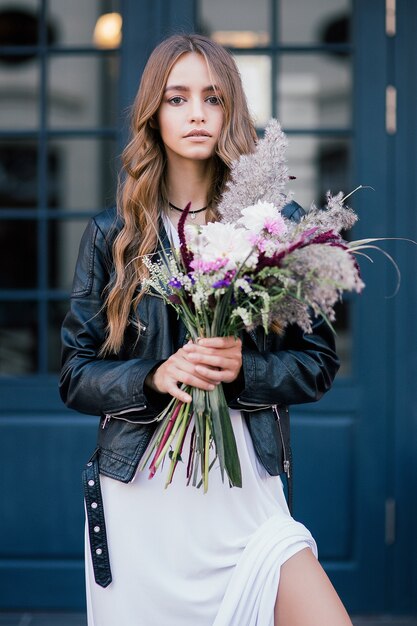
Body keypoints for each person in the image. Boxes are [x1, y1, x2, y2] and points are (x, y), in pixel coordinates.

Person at [60, 33, 353, 626]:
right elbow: (74, 373)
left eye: (213, 98)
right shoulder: (113, 235)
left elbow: (317, 362)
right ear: (153, 113)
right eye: (177, 98)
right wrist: (154, 375)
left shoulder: (274, 222)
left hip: (245, 493)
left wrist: (245, 367)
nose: (197, 113)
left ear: (231, 111)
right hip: (142, 494)